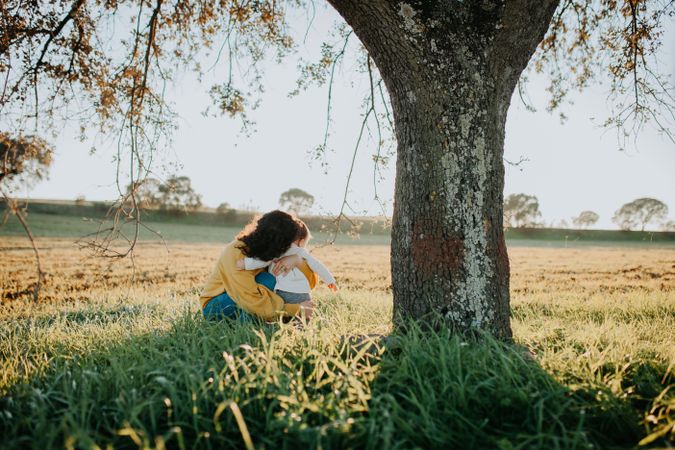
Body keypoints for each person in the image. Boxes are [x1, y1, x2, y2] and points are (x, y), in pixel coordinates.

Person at [200, 210, 315, 321]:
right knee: (268, 280)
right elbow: (248, 297)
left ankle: (263, 316)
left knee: (272, 279)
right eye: (288, 244)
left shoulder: (270, 251)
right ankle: (258, 319)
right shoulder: (237, 252)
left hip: (246, 300)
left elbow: (309, 284)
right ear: (276, 241)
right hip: (214, 307)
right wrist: (296, 309)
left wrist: (298, 261)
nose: (289, 249)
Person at [236, 219, 338, 304]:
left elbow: (263, 261)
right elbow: (317, 266)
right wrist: (330, 281)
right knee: (303, 315)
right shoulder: (301, 252)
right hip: (301, 292)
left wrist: (245, 263)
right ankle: (301, 325)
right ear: (301, 242)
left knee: (284, 313)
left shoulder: (278, 249)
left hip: (280, 292)